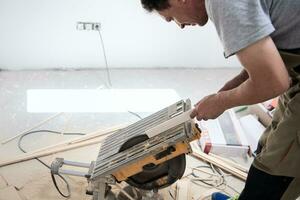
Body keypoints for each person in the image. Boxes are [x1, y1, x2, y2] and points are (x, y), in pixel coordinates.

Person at [139, 0, 300, 199]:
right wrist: (230, 89)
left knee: (277, 167)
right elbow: (269, 58)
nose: (179, 25)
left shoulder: (223, 3)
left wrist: (222, 101)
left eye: (171, 17)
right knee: (267, 144)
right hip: (295, 75)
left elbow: (273, 82)